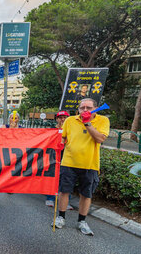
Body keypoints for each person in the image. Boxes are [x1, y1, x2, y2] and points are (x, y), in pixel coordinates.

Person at [53, 99, 109, 236]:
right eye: (82, 108)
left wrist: (87, 123)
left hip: (90, 164)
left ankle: (82, 221)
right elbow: (63, 137)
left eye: (88, 107)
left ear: (95, 108)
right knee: (64, 191)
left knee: (86, 194)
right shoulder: (70, 120)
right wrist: (59, 144)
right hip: (69, 162)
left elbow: (100, 139)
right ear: (78, 109)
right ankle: (61, 217)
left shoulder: (103, 121)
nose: (85, 110)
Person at [45, 110, 71, 207]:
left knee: (66, 179)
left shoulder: (71, 130)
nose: (63, 119)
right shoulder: (52, 130)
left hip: (67, 157)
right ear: (57, 119)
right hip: (53, 156)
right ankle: (50, 198)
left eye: (65, 117)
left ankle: (66, 201)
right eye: (60, 117)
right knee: (52, 178)